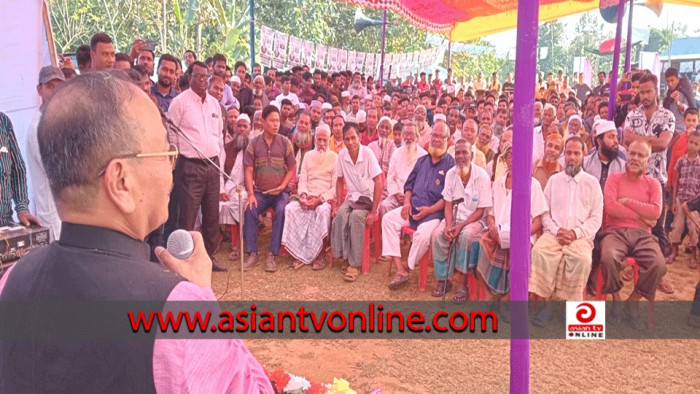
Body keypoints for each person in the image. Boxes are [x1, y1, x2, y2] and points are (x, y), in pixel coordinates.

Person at [0, 72, 272, 392]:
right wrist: (204, 302)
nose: (172, 169)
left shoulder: (12, 280)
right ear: (121, 181)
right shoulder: (180, 311)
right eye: (164, 154)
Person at [529, 137, 603, 325]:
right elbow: (544, 212)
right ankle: (546, 306)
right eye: (568, 153)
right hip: (553, 234)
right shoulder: (554, 181)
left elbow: (596, 218)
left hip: (580, 238)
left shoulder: (592, 184)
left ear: (583, 155)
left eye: (576, 153)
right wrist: (556, 230)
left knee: (582, 259)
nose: (571, 157)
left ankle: (568, 307)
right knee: (539, 252)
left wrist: (575, 233)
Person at [598, 141, 667, 329]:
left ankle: (633, 299)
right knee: (608, 256)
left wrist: (627, 201)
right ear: (626, 155)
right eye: (632, 154)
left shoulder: (654, 184)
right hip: (615, 232)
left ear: (648, 160)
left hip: (643, 235)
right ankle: (616, 299)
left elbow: (656, 213)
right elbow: (611, 208)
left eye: (641, 155)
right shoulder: (614, 178)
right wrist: (641, 216)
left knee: (658, 264)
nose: (635, 158)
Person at [167, 61, 227, 272]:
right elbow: (171, 131)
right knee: (188, 216)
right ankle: (182, 261)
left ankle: (209, 257)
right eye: (199, 76)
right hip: (190, 166)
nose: (203, 80)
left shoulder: (214, 105)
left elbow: (218, 135)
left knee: (212, 216)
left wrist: (219, 162)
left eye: (206, 77)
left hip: (212, 165)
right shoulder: (179, 102)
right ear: (190, 77)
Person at [476, 141, 548, 301]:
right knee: (478, 243)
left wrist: (521, 236)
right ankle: (487, 294)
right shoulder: (498, 183)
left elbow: (538, 221)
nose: (513, 159)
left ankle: (508, 297)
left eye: (518, 155)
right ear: (504, 159)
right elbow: (491, 212)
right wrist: (492, 226)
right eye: (510, 155)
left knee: (522, 251)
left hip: (523, 235)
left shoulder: (532, 184)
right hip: (498, 231)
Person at [623, 73, 675, 293]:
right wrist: (649, 142)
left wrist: (638, 141)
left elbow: (663, 144)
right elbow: (625, 140)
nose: (643, 96)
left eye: (647, 91)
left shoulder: (668, 116)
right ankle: (632, 268)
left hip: (656, 178)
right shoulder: (632, 114)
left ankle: (659, 273)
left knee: (658, 228)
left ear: (657, 90)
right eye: (641, 92)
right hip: (632, 178)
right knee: (632, 223)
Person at [381, 122, 448, 290]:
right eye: (434, 135)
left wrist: (430, 210)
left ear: (446, 139)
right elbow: (409, 185)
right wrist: (406, 203)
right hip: (412, 208)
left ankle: (408, 265)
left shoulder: (449, 164)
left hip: (433, 214)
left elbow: (448, 198)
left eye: (440, 136)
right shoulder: (422, 160)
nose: (436, 139)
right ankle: (400, 268)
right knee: (388, 219)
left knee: (422, 237)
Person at [430, 137, 491, 301]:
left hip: (474, 221)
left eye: (464, 152)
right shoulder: (451, 174)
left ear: (471, 154)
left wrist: (461, 226)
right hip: (454, 218)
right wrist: (449, 226)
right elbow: (448, 204)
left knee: (465, 237)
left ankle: (463, 283)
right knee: (437, 235)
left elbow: (481, 211)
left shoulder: (482, 176)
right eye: (457, 153)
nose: (460, 156)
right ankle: (443, 280)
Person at [242, 105, 295, 272]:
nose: (276, 124)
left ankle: (272, 254)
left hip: (280, 193)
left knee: (281, 210)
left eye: (278, 121)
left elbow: (292, 168)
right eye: (272, 121)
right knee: (250, 208)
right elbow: (248, 170)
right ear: (263, 122)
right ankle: (252, 253)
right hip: (260, 192)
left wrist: (282, 185)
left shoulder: (285, 142)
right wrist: (251, 194)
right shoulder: (253, 144)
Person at [330, 122, 383, 282]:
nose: (351, 142)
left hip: (369, 199)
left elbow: (379, 182)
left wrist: (373, 212)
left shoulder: (367, 153)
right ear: (344, 140)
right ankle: (343, 255)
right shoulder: (342, 155)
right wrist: (339, 203)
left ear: (359, 137)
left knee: (356, 217)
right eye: (347, 139)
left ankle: (355, 264)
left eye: (353, 138)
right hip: (353, 197)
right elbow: (339, 181)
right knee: (340, 215)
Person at [282, 125, 337, 270]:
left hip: (324, 198)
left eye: (325, 140)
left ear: (329, 140)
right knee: (290, 209)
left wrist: (319, 200)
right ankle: (298, 254)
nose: (322, 144)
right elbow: (303, 180)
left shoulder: (335, 158)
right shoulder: (308, 156)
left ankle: (320, 255)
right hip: (308, 194)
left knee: (323, 211)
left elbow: (335, 188)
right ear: (314, 139)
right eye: (319, 140)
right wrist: (303, 195)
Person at [26, 66, 64, 241]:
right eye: (50, 86)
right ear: (39, 90)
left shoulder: (59, 123)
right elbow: (57, 171)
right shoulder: (38, 127)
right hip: (51, 221)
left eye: (59, 86)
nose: (55, 92)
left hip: (65, 218)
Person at [219, 114, 251, 259]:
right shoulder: (226, 147)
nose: (242, 129)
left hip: (246, 188)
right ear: (235, 128)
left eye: (245, 126)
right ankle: (216, 238)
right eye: (239, 126)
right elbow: (218, 171)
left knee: (241, 199)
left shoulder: (253, 147)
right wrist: (220, 191)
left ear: (250, 129)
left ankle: (238, 244)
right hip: (227, 186)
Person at [380, 122, 427, 217]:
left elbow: (423, 183)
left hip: (414, 198)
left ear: (417, 137)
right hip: (397, 196)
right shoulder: (396, 153)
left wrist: (408, 197)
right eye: (406, 134)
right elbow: (391, 178)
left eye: (411, 134)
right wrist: (396, 194)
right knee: (384, 206)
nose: (408, 138)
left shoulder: (424, 156)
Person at [668, 130, 700, 267]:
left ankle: (693, 255)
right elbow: (676, 180)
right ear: (687, 143)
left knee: (693, 228)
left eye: (696, 144)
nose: (693, 146)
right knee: (677, 226)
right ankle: (674, 251)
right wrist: (674, 200)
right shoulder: (681, 161)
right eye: (691, 142)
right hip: (680, 200)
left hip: (693, 202)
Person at [583, 120, 625, 190]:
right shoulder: (585, 163)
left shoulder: (622, 166)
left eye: (616, 137)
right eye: (611, 137)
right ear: (599, 141)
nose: (616, 141)